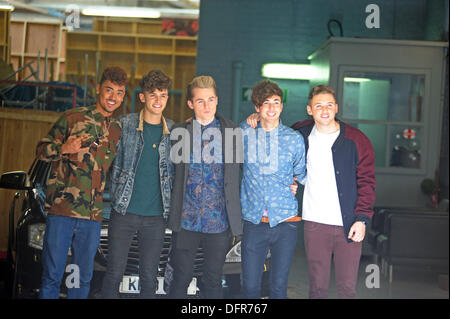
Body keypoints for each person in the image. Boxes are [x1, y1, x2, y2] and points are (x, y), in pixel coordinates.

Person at [36, 66, 127, 299]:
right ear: (98, 89)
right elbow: (41, 150)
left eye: (119, 93)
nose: (113, 97)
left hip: (92, 217)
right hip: (62, 212)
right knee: (52, 275)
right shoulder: (72, 118)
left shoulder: (117, 131)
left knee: (80, 278)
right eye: (109, 90)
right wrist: (63, 149)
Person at [291, 85, 376, 298]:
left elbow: (367, 181)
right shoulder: (299, 134)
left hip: (348, 224)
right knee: (317, 289)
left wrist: (362, 219)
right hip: (315, 222)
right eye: (318, 106)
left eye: (329, 105)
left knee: (347, 289)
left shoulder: (357, 140)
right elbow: (275, 135)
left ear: (336, 107)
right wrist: (255, 118)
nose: (325, 110)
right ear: (309, 110)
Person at [167, 75, 243, 299]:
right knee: (180, 277)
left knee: (212, 279)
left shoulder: (232, 133)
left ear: (217, 100)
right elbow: (169, 175)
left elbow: (247, 171)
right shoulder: (179, 133)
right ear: (191, 104)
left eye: (210, 99)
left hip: (218, 222)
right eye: (200, 101)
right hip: (186, 220)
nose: (207, 106)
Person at [101, 70, 174, 298]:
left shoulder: (175, 131)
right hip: (123, 212)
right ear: (142, 97)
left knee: (150, 276)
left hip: (156, 217)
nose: (158, 100)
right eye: (153, 95)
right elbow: (104, 162)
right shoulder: (124, 124)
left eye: (163, 95)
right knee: (114, 272)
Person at [240, 79, 306, 299]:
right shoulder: (244, 133)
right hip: (254, 220)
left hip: (285, 222)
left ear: (282, 106)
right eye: (265, 103)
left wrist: (294, 184)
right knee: (250, 287)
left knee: (278, 287)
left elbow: (301, 172)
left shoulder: (293, 139)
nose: (271, 108)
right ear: (257, 108)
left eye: (276, 102)